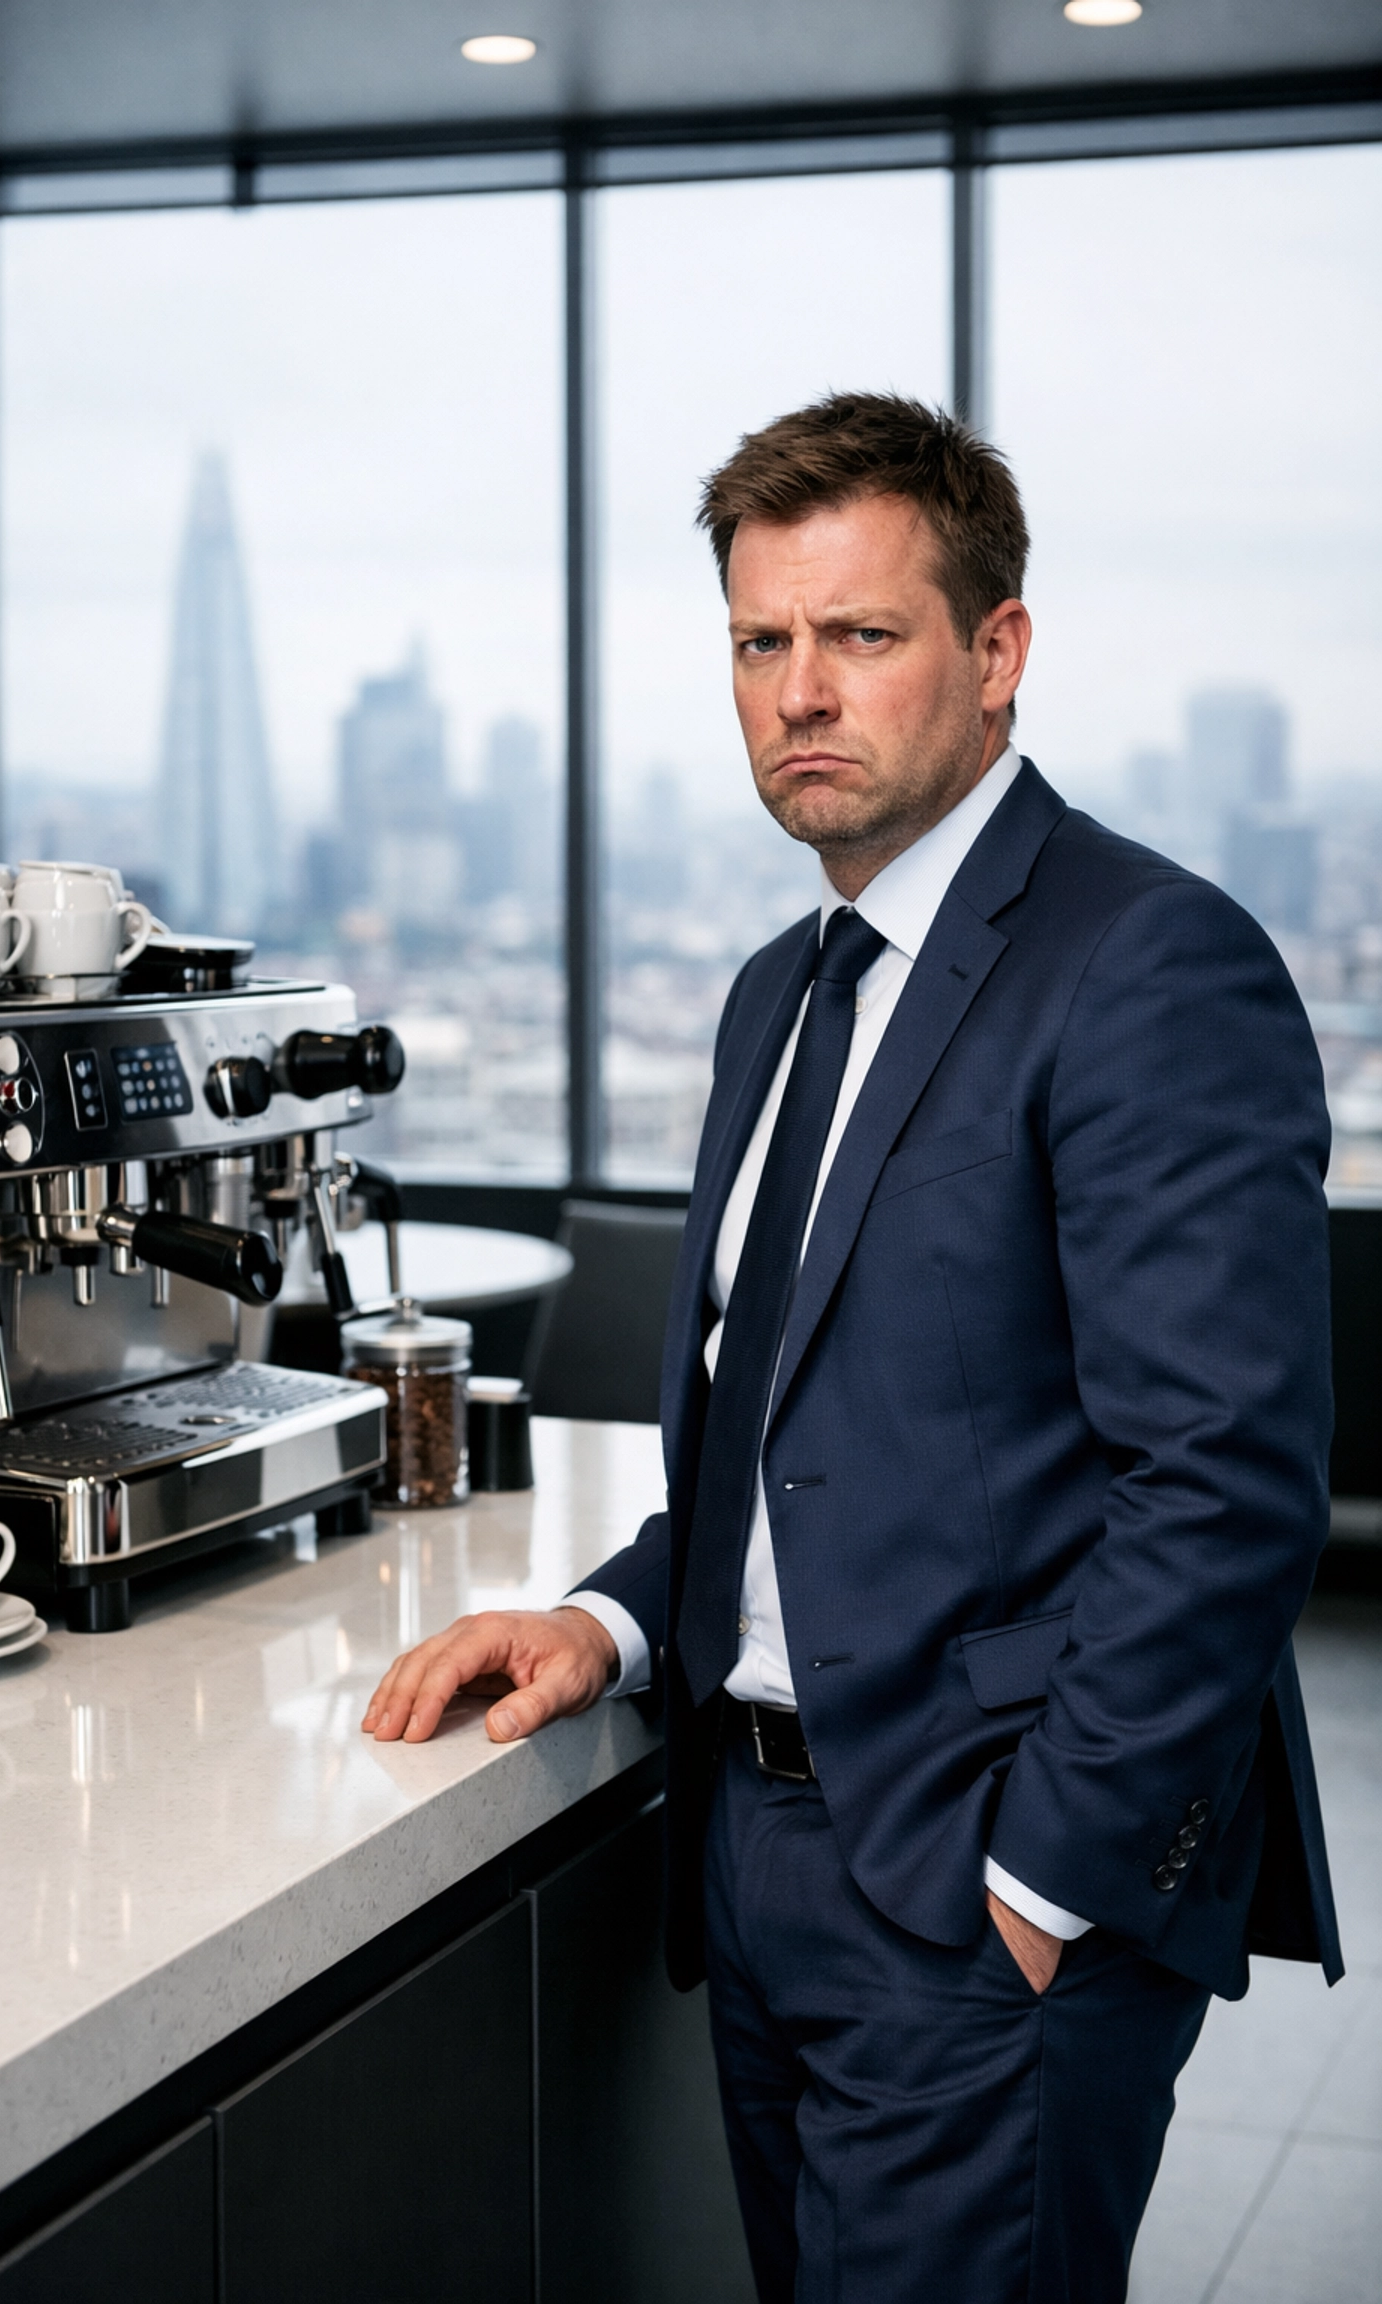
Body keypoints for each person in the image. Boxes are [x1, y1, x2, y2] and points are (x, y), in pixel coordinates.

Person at [362, 392, 1342, 2303]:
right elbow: (786, 1433)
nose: (802, 691)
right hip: (761, 1857)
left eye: (862, 635)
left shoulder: (1152, 959)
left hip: (983, 1882)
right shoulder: (777, 996)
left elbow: (1226, 1488)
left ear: (996, 655)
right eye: (761, 641)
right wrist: (616, 1621)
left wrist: (1039, 1883)